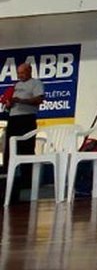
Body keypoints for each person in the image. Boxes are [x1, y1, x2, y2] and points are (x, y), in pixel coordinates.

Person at [1, 63, 44, 203]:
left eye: (22, 73)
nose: (20, 76)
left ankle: (27, 180)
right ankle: (8, 178)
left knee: (26, 148)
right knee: (9, 149)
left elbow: (39, 99)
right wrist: (9, 104)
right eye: (18, 73)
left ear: (29, 71)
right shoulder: (16, 86)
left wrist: (22, 101)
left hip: (27, 119)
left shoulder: (36, 83)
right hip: (13, 119)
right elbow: (9, 102)